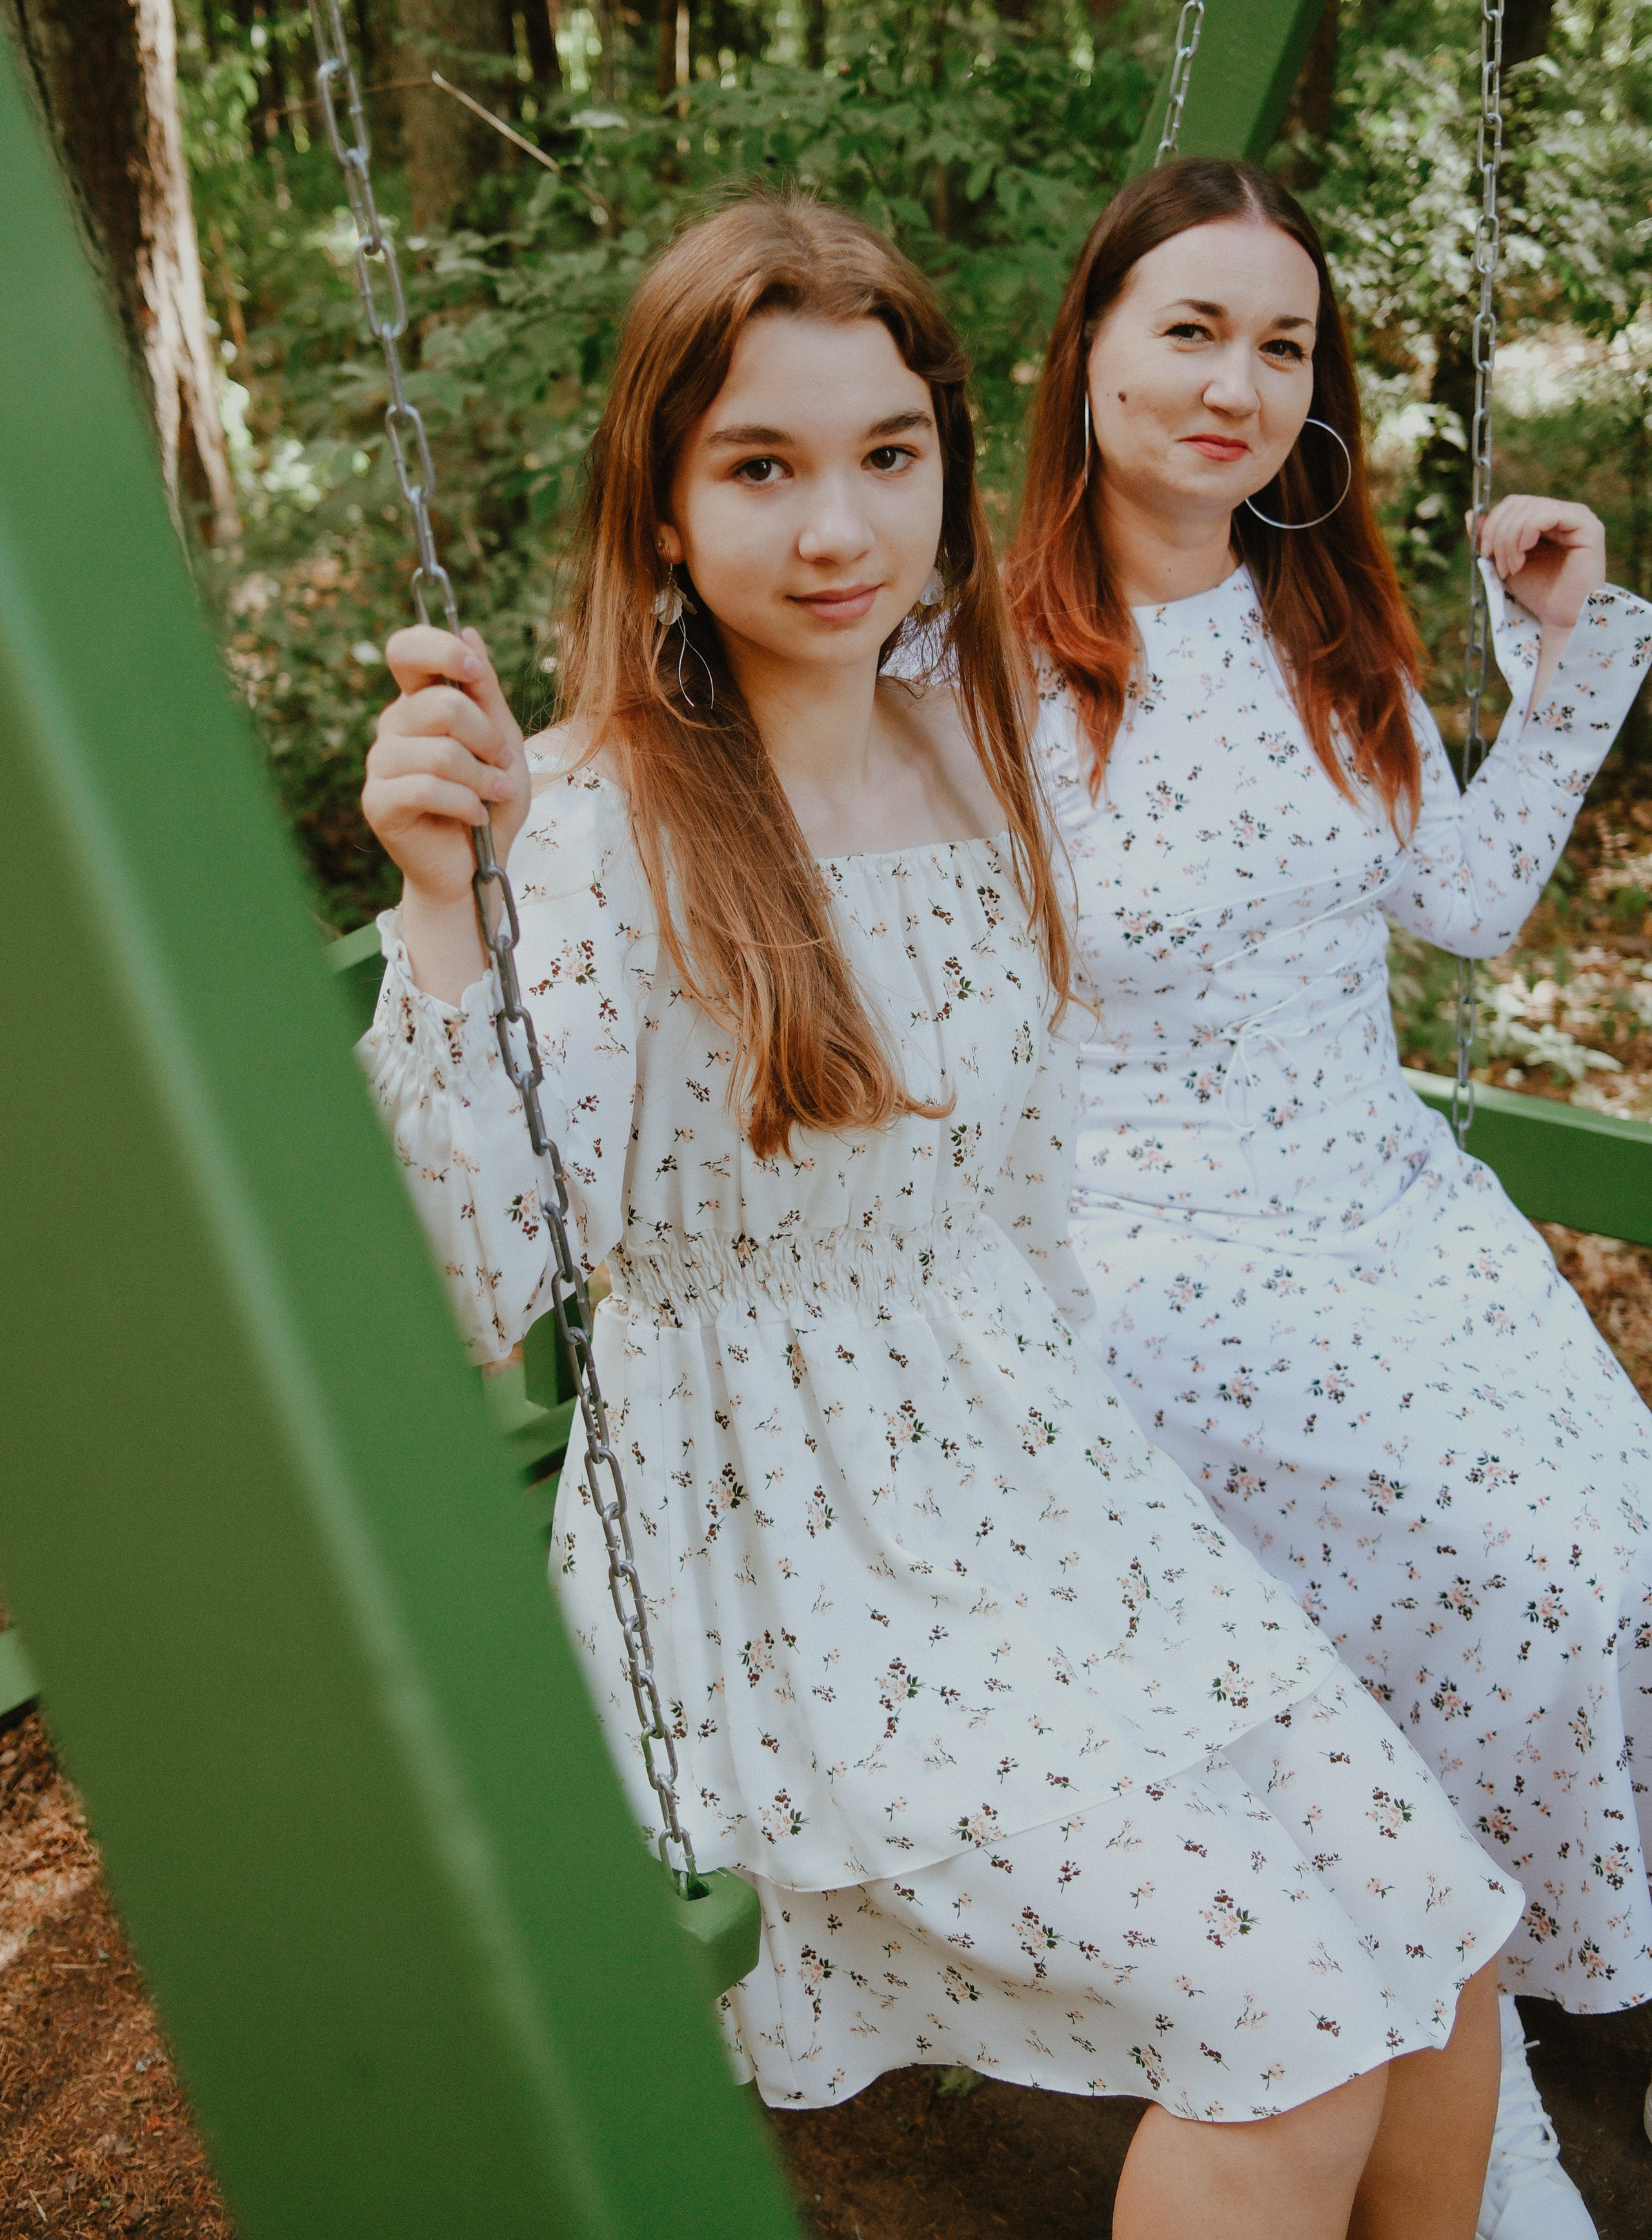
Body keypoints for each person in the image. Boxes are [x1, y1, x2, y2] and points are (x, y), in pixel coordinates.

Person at [356, 194, 1518, 2238]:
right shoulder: (594, 821)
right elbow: (462, 1287)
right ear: (659, 508)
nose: (840, 528)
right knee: (1296, 2033)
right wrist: (447, 914)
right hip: (791, 1557)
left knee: (1445, 1934)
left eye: (889, 455)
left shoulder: (972, 740)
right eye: (762, 467)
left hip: (1045, 1481)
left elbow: (1031, 1176)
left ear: (950, 468)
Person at [1009, 155, 1652, 2240]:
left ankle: (1479, 2029)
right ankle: (1450, 2082)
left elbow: (1462, 904)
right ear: (1090, 347)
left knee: (1601, 1565)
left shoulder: (1320, 621)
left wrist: (1560, 654)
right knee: (1458, 1598)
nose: (1237, 384)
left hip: (1393, 1222)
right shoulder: (978, 666)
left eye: (1281, 345)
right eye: (1190, 330)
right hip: (1159, 1266)